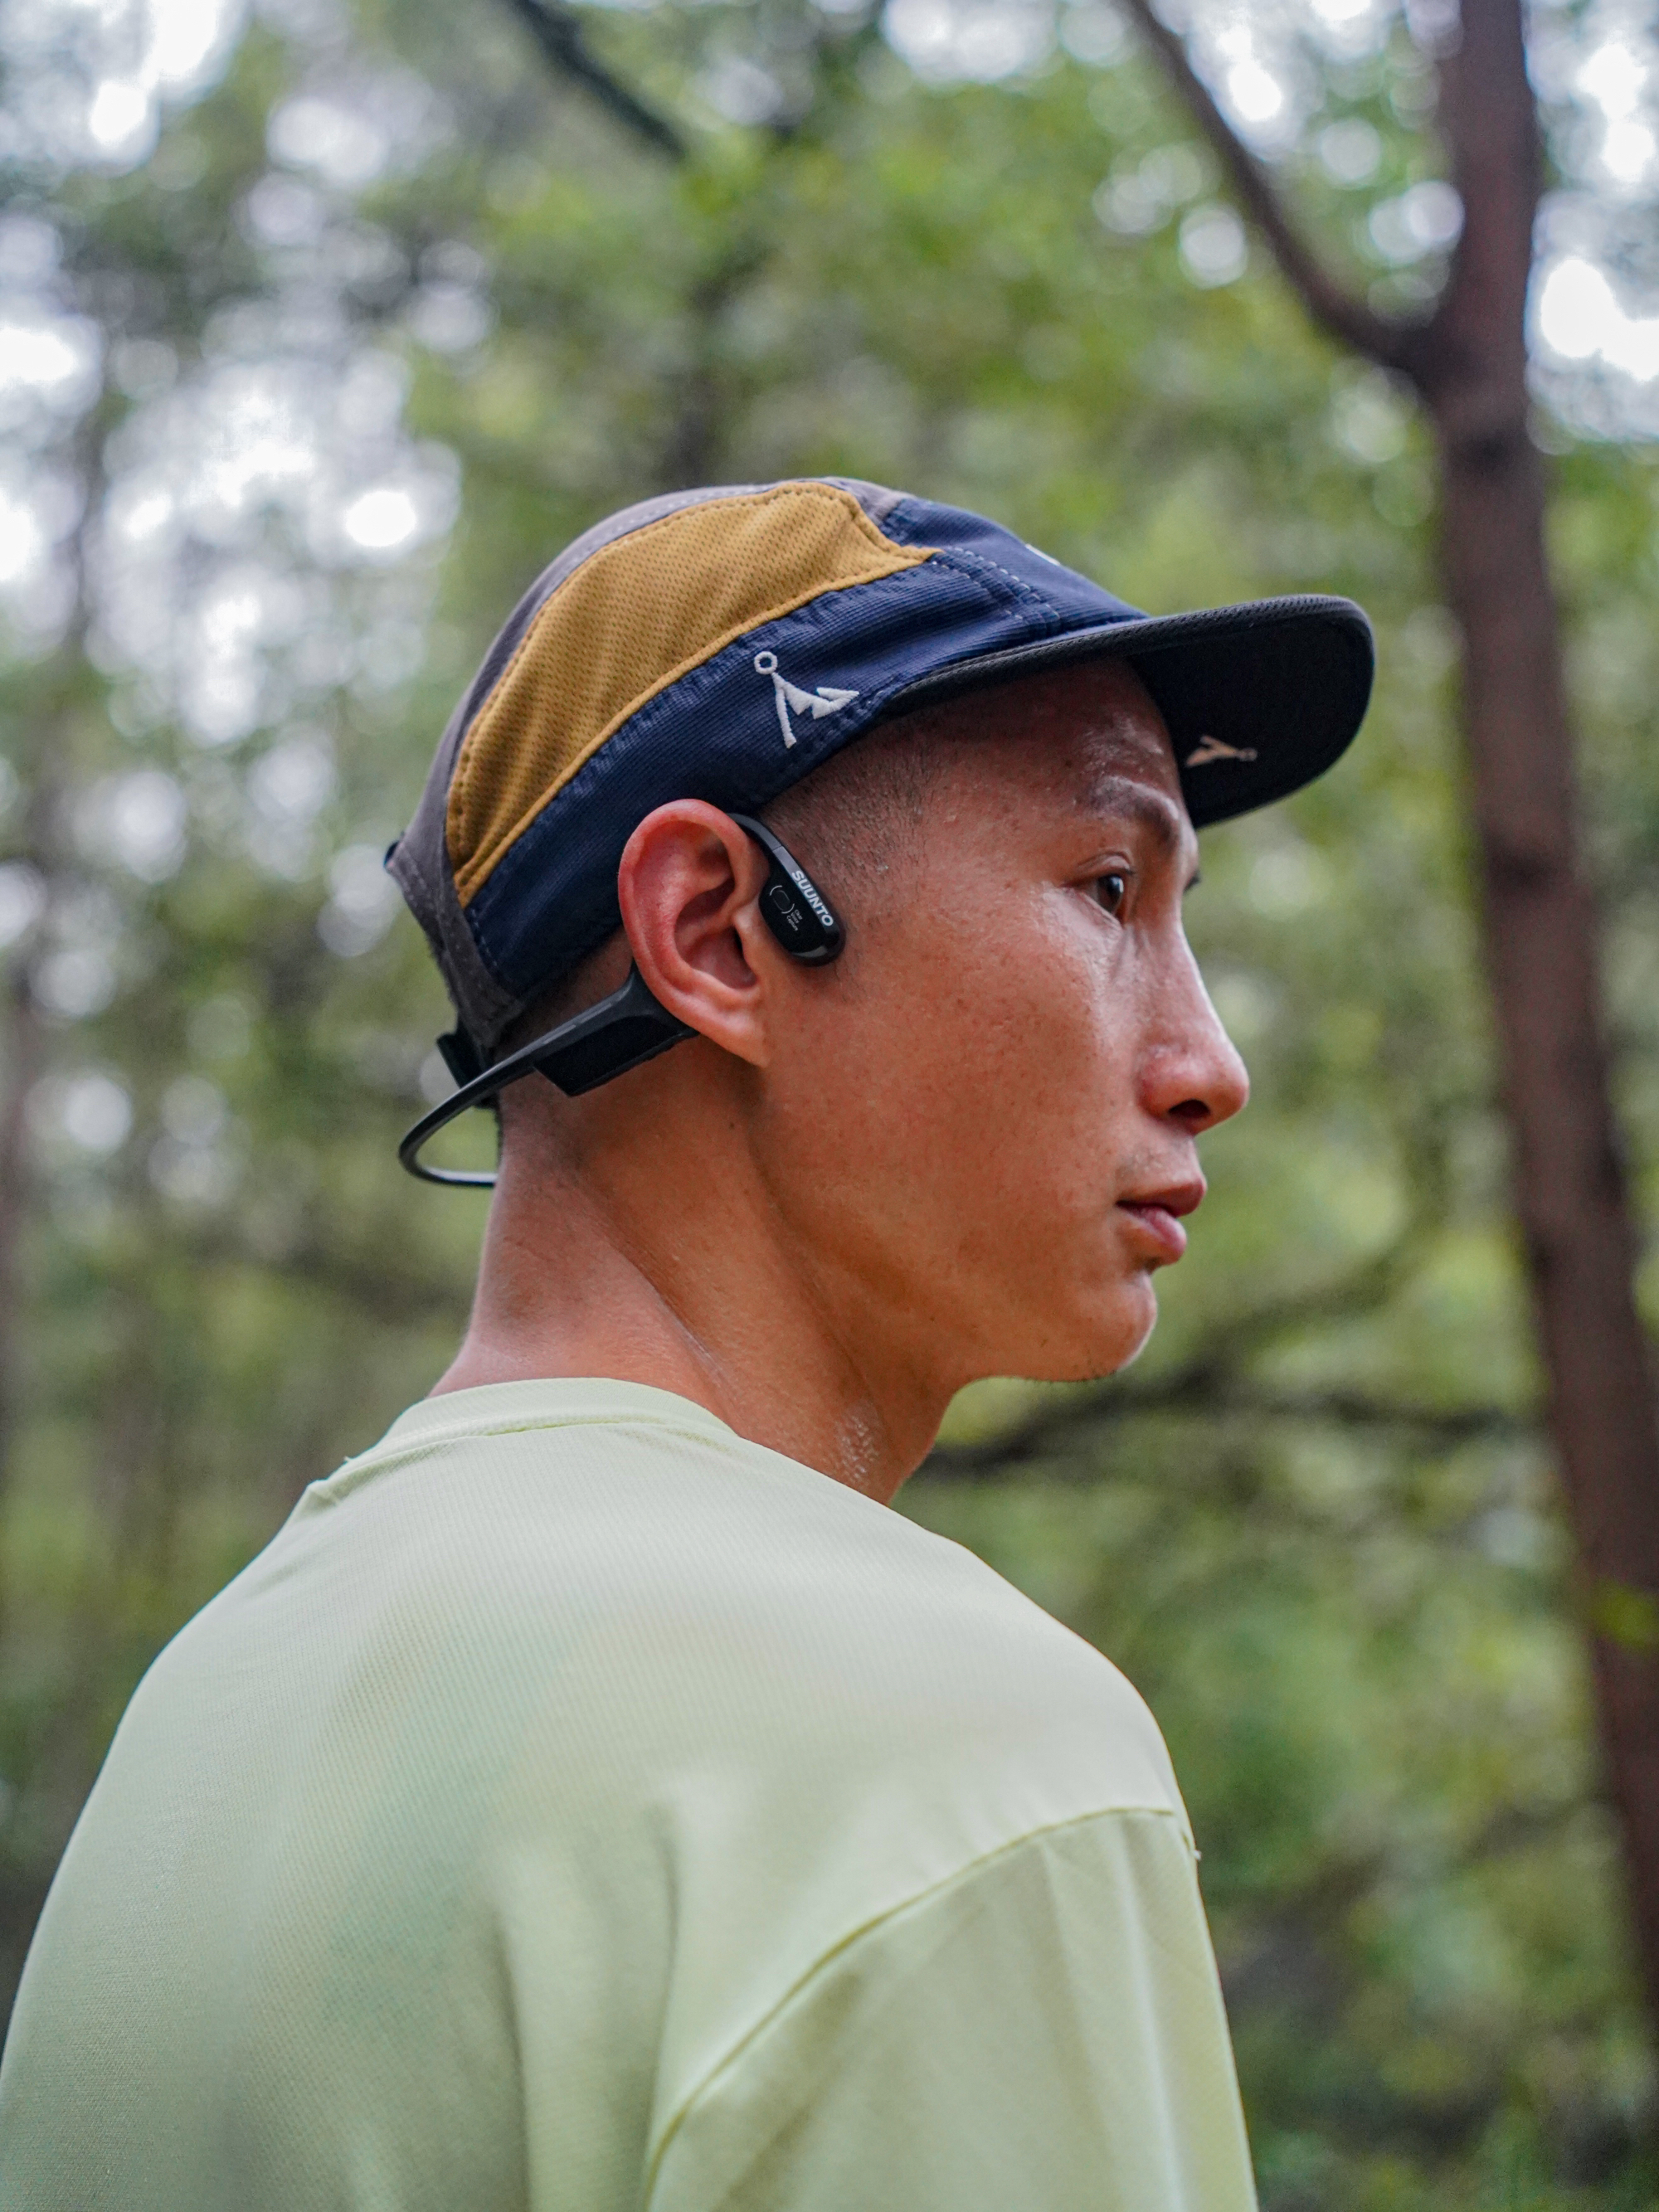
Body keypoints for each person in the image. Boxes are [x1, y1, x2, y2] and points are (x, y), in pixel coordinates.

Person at [0, 477, 1372, 2208]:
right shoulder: (954, 1755)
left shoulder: (205, 1709)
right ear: (718, 933)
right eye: (1109, 887)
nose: (1210, 1063)